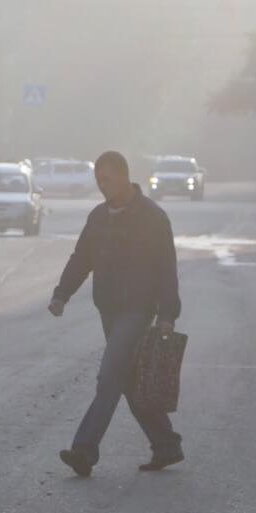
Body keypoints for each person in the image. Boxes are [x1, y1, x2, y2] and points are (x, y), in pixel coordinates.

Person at [48, 150, 184, 476]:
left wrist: (168, 313)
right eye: (98, 180)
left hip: (138, 311)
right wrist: (62, 294)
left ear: (124, 176)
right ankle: (166, 445)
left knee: (109, 376)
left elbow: (167, 268)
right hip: (108, 310)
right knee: (129, 380)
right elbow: (82, 259)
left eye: (107, 179)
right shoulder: (98, 217)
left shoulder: (152, 217)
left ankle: (84, 450)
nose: (102, 185)